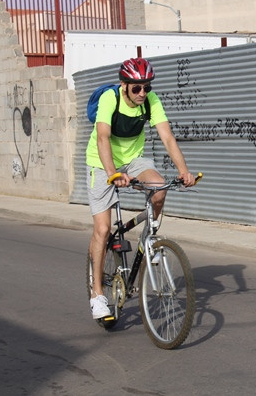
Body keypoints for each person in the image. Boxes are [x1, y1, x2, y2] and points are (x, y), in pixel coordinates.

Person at [86, 57, 196, 319]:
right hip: (102, 163)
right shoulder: (110, 99)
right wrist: (112, 173)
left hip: (134, 160)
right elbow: (102, 137)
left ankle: (149, 241)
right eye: (137, 88)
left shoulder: (151, 100)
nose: (142, 92)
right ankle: (98, 295)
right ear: (124, 85)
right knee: (103, 230)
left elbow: (167, 136)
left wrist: (184, 170)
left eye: (146, 86)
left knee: (159, 188)